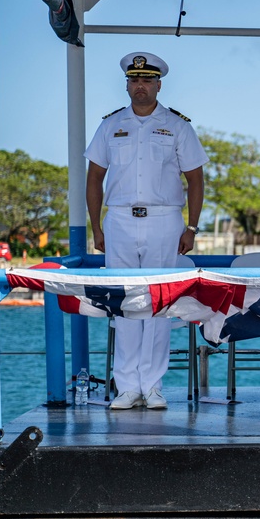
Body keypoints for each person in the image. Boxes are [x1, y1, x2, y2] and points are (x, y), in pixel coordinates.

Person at [85, 52, 208, 410]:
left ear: (158, 85)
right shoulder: (109, 125)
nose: (140, 86)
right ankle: (126, 387)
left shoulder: (177, 125)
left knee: (159, 303)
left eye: (147, 80)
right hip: (120, 219)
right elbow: (94, 178)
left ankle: (152, 386)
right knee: (123, 303)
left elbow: (196, 179)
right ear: (127, 84)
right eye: (134, 80)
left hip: (165, 219)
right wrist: (96, 226)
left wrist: (192, 226)